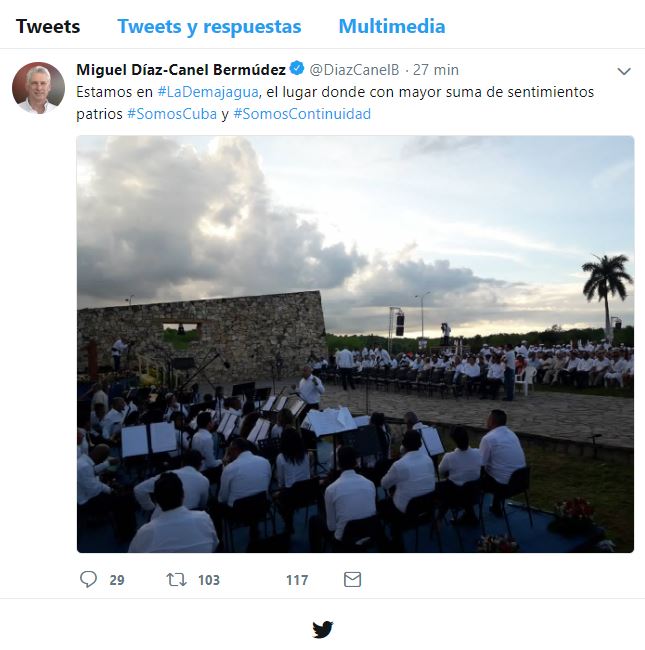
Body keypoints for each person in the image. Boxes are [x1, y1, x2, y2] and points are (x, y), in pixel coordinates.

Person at [128, 473, 218, 553]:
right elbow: (214, 545)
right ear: (183, 495)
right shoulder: (204, 519)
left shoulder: (144, 533)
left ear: (156, 500)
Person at [309, 446, 377, 551]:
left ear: (338, 463)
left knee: (314, 521)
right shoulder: (370, 484)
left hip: (344, 541)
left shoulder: (331, 490)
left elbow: (331, 527)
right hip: (369, 534)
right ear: (356, 462)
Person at [133, 450, 210, 517]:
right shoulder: (204, 480)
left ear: (182, 463)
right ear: (200, 465)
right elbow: (202, 505)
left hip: (161, 518)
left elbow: (139, 489)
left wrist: (151, 507)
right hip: (188, 521)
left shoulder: (168, 475)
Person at [479, 410, 526, 516]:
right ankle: (496, 506)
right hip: (521, 481)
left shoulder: (488, 438)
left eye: (488, 418)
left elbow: (480, 464)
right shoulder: (512, 434)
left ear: (492, 421)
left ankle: (469, 512)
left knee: (470, 476)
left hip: (503, 486)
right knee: (501, 469)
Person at [437, 427, 483, 524]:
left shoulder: (449, 457)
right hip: (476, 495)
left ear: (454, 441)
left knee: (443, 486)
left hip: (458, 499)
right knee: (464, 485)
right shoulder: (479, 452)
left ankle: (438, 519)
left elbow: (440, 472)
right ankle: (470, 515)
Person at [274, 428, 312, 533]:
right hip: (308, 492)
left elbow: (281, 481)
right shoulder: (306, 454)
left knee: (277, 497)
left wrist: (280, 490)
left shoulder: (281, 457)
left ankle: (288, 524)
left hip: (292, 495)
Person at [188, 411, 221, 480]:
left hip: (197, 467)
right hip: (204, 471)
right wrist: (221, 461)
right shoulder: (207, 438)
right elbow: (210, 464)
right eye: (212, 420)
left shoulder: (195, 435)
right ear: (209, 424)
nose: (214, 421)